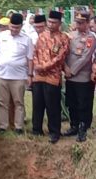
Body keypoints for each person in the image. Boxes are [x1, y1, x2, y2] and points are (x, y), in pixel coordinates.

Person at [0, 13, 34, 134]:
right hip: (1, 75)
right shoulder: (2, 36)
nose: (14, 30)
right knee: (1, 102)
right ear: (9, 25)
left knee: (18, 102)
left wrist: (29, 75)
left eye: (17, 28)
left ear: (21, 26)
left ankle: (18, 126)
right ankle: (3, 126)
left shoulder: (26, 39)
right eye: (12, 27)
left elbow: (30, 59)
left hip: (19, 76)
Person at [32, 11, 69, 143]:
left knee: (52, 106)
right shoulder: (41, 36)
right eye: (50, 22)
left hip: (53, 77)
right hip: (38, 77)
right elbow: (35, 52)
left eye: (54, 22)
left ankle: (54, 132)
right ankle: (36, 129)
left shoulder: (64, 38)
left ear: (59, 23)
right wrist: (36, 65)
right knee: (37, 104)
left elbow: (60, 58)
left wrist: (44, 66)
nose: (51, 24)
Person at [63, 11, 96, 142]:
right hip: (69, 76)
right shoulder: (70, 36)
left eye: (81, 23)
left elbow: (86, 57)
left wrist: (72, 70)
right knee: (71, 103)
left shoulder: (91, 38)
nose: (78, 25)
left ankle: (83, 128)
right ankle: (73, 126)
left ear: (88, 23)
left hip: (82, 77)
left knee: (83, 104)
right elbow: (64, 53)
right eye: (77, 22)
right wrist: (65, 68)